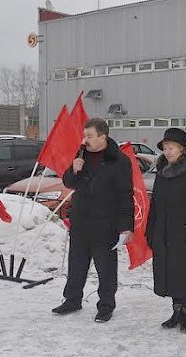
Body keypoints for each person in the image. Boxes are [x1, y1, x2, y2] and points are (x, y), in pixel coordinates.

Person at [52, 118, 134, 323]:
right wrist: (73, 169)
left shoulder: (119, 161)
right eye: (84, 135)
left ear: (102, 137)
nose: (85, 139)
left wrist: (126, 227)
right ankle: (72, 300)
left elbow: (125, 196)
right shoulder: (81, 155)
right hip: (81, 221)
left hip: (105, 224)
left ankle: (105, 305)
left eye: (89, 136)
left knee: (105, 269)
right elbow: (69, 183)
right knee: (76, 265)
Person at [145, 127, 186, 333]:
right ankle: (176, 311)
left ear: (183, 149)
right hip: (165, 232)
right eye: (165, 148)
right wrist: (151, 229)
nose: (168, 152)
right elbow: (155, 203)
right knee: (170, 273)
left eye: (172, 147)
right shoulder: (163, 172)